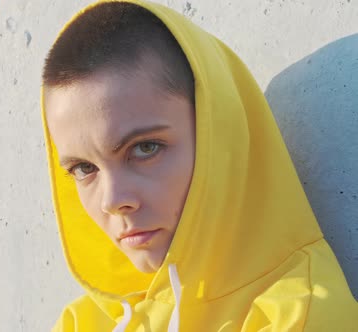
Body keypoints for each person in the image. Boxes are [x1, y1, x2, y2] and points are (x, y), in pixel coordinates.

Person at [39, 1, 358, 331]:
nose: (112, 201)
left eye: (145, 148)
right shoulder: (83, 322)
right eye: (83, 168)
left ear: (217, 135)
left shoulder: (299, 316)